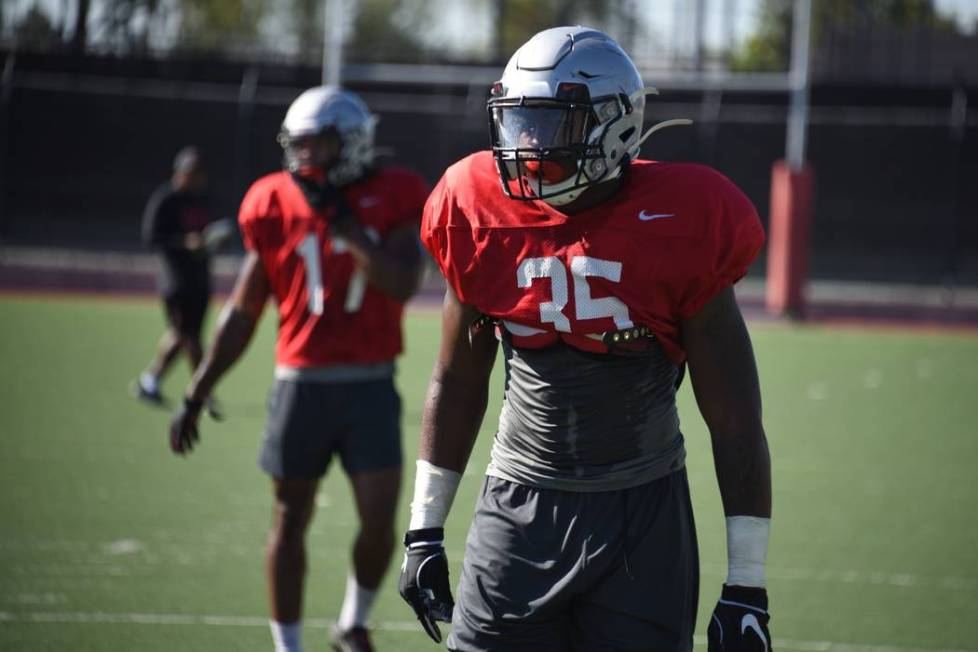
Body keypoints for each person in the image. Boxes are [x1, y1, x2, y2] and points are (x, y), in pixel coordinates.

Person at [398, 26, 773, 652]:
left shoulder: (685, 221)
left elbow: (734, 419)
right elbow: (457, 379)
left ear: (616, 126)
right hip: (517, 504)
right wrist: (424, 530)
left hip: (641, 517)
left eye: (550, 126)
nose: (527, 147)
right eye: (518, 124)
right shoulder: (477, 211)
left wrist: (747, 585)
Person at [167, 86, 428, 652]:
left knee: (381, 519)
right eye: (300, 146)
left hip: (370, 383)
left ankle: (351, 622)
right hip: (299, 386)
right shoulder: (272, 199)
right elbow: (244, 309)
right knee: (289, 520)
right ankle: (288, 648)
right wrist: (196, 389)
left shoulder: (395, 193)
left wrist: (348, 230)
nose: (306, 159)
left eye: (321, 146)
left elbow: (404, 283)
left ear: (353, 144)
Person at [133, 146, 228, 408]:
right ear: (180, 172)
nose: (195, 179)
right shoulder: (166, 199)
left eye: (198, 174)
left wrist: (215, 241)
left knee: (182, 335)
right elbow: (151, 237)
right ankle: (203, 390)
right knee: (190, 338)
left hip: (200, 280)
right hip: (176, 282)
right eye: (190, 173)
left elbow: (214, 233)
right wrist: (185, 243)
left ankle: (150, 380)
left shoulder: (204, 199)